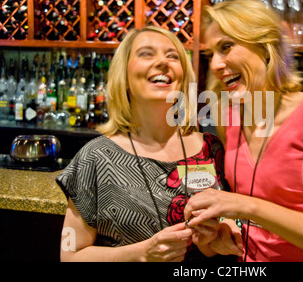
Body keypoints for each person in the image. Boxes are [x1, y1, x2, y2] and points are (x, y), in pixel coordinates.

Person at [184, 0, 303, 262]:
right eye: (211, 54)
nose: (215, 65)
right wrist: (222, 232)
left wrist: (247, 207)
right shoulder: (229, 117)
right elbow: (249, 220)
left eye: (226, 47)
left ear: (266, 47)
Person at [56, 26, 242, 262]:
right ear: (124, 76)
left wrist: (223, 234)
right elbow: (70, 255)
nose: (163, 62)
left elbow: (239, 218)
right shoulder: (95, 158)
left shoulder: (215, 148)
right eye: (146, 54)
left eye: (173, 56)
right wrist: (142, 254)